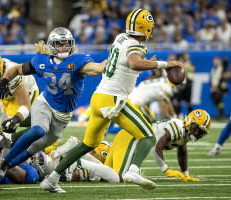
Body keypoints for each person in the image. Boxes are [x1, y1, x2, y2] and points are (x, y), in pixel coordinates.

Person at [40, 9, 184, 193]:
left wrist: (146, 62)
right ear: (146, 28)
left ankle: (51, 179)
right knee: (148, 135)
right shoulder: (138, 46)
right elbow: (133, 62)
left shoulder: (121, 38)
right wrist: (166, 64)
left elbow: (126, 64)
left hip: (99, 98)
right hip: (114, 100)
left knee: (88, 144)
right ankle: (133, 171)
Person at [0, 27, 107, 191]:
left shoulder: (78, 61)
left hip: (63, 116)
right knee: (39, 130)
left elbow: (97, 68)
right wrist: (5, 80)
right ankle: (3, 163)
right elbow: (16, 69)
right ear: (53, 46)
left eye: (67, 44)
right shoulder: (43, 60)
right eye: (60, 44)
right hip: (45, 103)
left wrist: (112, 61)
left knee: (32, 149)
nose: (64, 47)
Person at [104, 109, 211, 181]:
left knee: (104, 177)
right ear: (190, 121)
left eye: (200, 132)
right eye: (196, 128)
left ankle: (87, 168)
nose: (197, 133)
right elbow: (155, 148)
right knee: (118, 178)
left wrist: (186, 175)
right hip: (129, 138)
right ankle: (86, 166)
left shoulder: (184, 133)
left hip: (128, 137)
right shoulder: (177, 129)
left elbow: (182, 153)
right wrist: (166, 170)